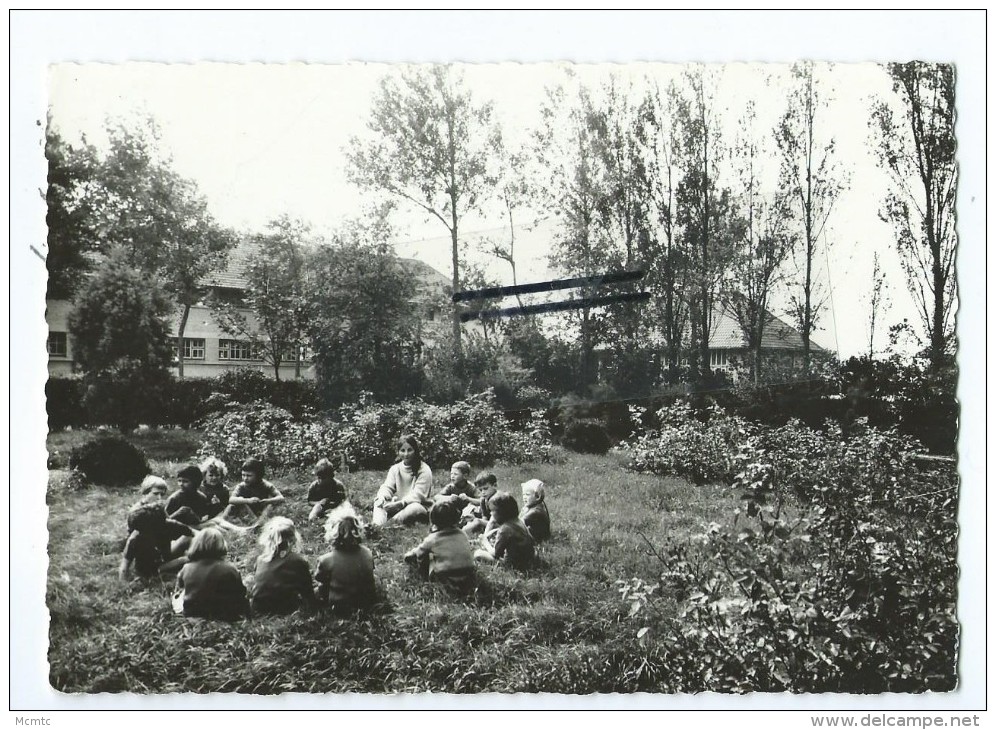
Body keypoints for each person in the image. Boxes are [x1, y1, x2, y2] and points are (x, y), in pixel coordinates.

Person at [172, 528, 249, 621]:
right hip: (222, 615)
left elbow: (180, 587)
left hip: (192, 613)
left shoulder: (186, 568)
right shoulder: (229, 568)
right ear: (222, 544)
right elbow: (240, 592)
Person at [314, 507, 376, 614]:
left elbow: (319, 578)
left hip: (340, 605)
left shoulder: (326, 560)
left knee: (318, 588)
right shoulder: (367, 553)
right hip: (365, 601)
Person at [404, 500, 476, 594]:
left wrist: (409, 555)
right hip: (468, 574)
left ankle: (425, 578)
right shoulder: (462, 533)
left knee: (426, 555)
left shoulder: (433, 538)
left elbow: (417, 553)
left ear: (433, 520)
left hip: (446, 578)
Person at [249, 517, 315, 615]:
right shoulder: (297, 560)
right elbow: (307, 591)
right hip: (283, 609)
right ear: (293, 538)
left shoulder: (261, 559)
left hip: (258, 607)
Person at [119, 502, 194, 580]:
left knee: (186, 539)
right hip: (151, 569)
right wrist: (125, 586)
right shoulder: (135, 540)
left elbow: (192, 533)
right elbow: (124, 567)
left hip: (165, 556)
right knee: (185, 560)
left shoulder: (167, 525)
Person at [372, 435, 433, 527]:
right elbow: (387, 487)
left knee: (414, 508)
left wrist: (401, 504)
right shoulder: (395, 469)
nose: (406, 454)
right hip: (399, 505)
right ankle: (376, 526)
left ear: (415, 451)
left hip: (419, 506)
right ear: (398, 452)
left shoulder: (424, 469)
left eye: (409, 450)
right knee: (379, 502)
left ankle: (387, 525)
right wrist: (382, 497)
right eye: (402, 450)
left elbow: (418, 495)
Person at [474, 491, 535, 570]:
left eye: (492, 511)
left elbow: (496, 554)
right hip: (529, 558)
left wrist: (485, 542)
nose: (491, 513)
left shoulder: (505, 530)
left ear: (502, 512)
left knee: (478, 554)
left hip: (513, 565)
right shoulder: (519, 521)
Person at [223, 457, 285, 525]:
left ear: (258, 476)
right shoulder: (241, 486)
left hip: (262, 513)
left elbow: (281, 498)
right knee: (234, 504)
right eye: (243, 475)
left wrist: (268, 501)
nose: (245, 478)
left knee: (272, 505)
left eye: (249, 476)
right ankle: (226, 523)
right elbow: (231, 500)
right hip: (245, 513)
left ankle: (260, 523)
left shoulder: (265, 485)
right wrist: (247, 500)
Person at [307, 458, 348, 522]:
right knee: (317, 509)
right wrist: (320, 502)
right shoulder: (314, 486)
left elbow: (343, 501)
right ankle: (315, 520)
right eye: (319, 478)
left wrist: (332, 504)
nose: (320, 480)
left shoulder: (337, 485)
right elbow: (310, 501)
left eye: (323, 478)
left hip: (335, 507)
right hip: (320, 507)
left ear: (331, 476)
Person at [462, 471, 499, 538]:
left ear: (495, 485)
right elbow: (484, 517)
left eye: (485, 488)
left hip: (503, 526)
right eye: (480, 490)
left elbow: (496, 523)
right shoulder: (483, 500)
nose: (483, 492)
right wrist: (475, 519)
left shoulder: (499, 499)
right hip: (490, 525)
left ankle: (462, 537)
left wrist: (479, 521)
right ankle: (462, 537)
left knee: (477, 521)